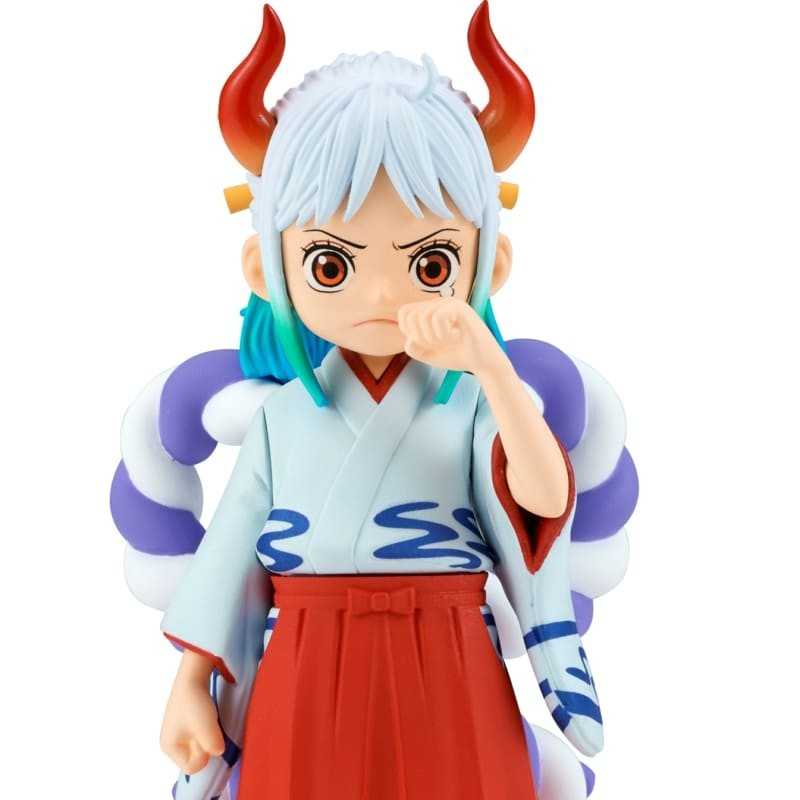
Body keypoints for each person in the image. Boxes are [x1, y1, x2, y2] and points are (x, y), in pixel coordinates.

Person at [111, 4, 638, 799]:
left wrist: (490, 367)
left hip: (452, 651)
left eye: (430, 264)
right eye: (331, 265)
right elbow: (228, 561)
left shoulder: (475, 406)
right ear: (265, 269)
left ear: (489, 265)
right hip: (305, 655)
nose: (383, 296)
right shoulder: (281, 420)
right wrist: (190, 683)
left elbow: (539, 502)